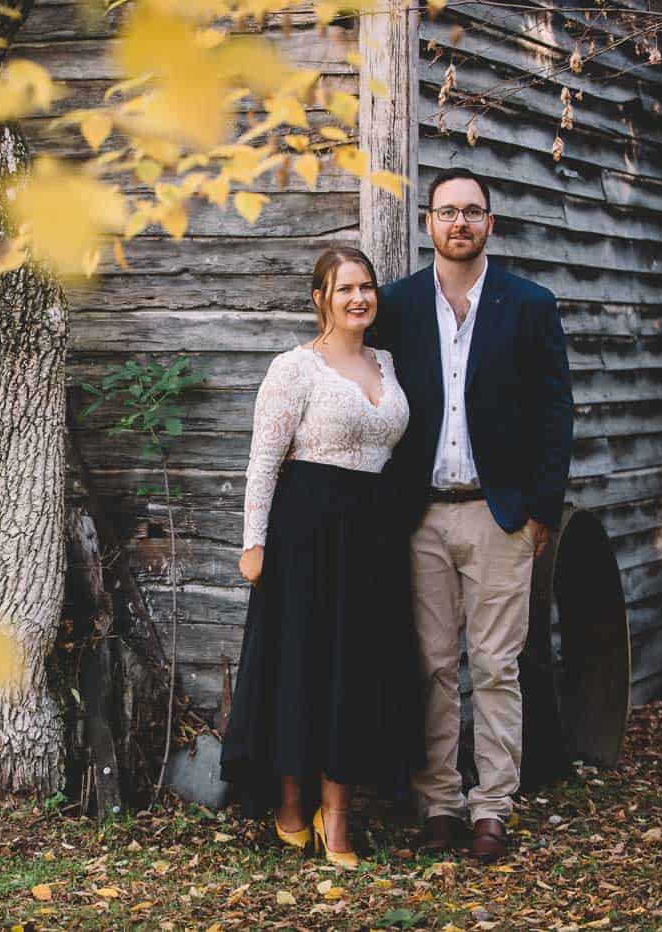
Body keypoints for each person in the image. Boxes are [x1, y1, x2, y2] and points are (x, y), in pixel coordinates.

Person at [371, 167, 574, 861]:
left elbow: (555, 413)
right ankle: (439, 802)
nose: (460, 223)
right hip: (419, 515)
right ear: (428, 223)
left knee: (495, 665)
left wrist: (541, 510)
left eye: (473, 212)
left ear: (491, 223)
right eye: (447, 212)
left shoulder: (529, 305)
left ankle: (492, 807)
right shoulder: (393, 307)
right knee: (430, 665)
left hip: (499, 515)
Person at [220, 246, 420, 870]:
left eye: (366, 287)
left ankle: (338, 817)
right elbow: (263, 460)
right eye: (344, 289)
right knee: (302, 665)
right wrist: (254, 543)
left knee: (354, 670)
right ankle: (289, 803)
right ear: (320, 299)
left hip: (373, 536)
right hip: (306, 529)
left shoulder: (387, 362)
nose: (358, 298)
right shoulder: (293, 369)